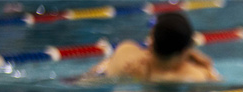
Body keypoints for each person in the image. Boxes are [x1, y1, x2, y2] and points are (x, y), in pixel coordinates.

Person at [84, 12, 220, 82]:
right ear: (185, 50)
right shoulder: (193, 75)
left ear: (151, 40)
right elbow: (217, 82)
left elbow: (90, 75)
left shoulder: (125, 51)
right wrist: (208, 67)